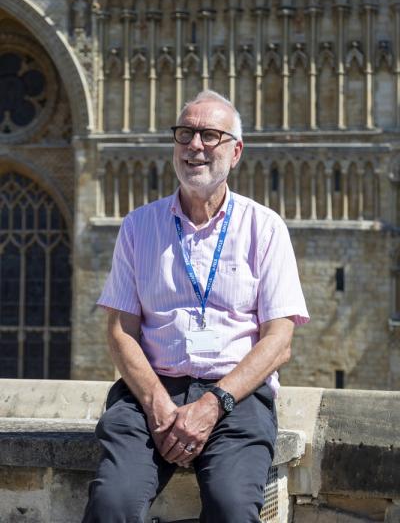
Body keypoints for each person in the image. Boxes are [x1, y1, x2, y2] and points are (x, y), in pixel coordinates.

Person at [82, 90, 309, 523]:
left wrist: (213, 404)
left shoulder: (265, 228)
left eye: (210, 135)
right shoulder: (138, 226)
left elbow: (279, 341)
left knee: (231, 508)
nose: (195, 146)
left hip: (236, 396)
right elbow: (120, 331)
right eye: (185, 133)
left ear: (235, 151)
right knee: (112, 503)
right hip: (151, 391)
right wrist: (156, 403)